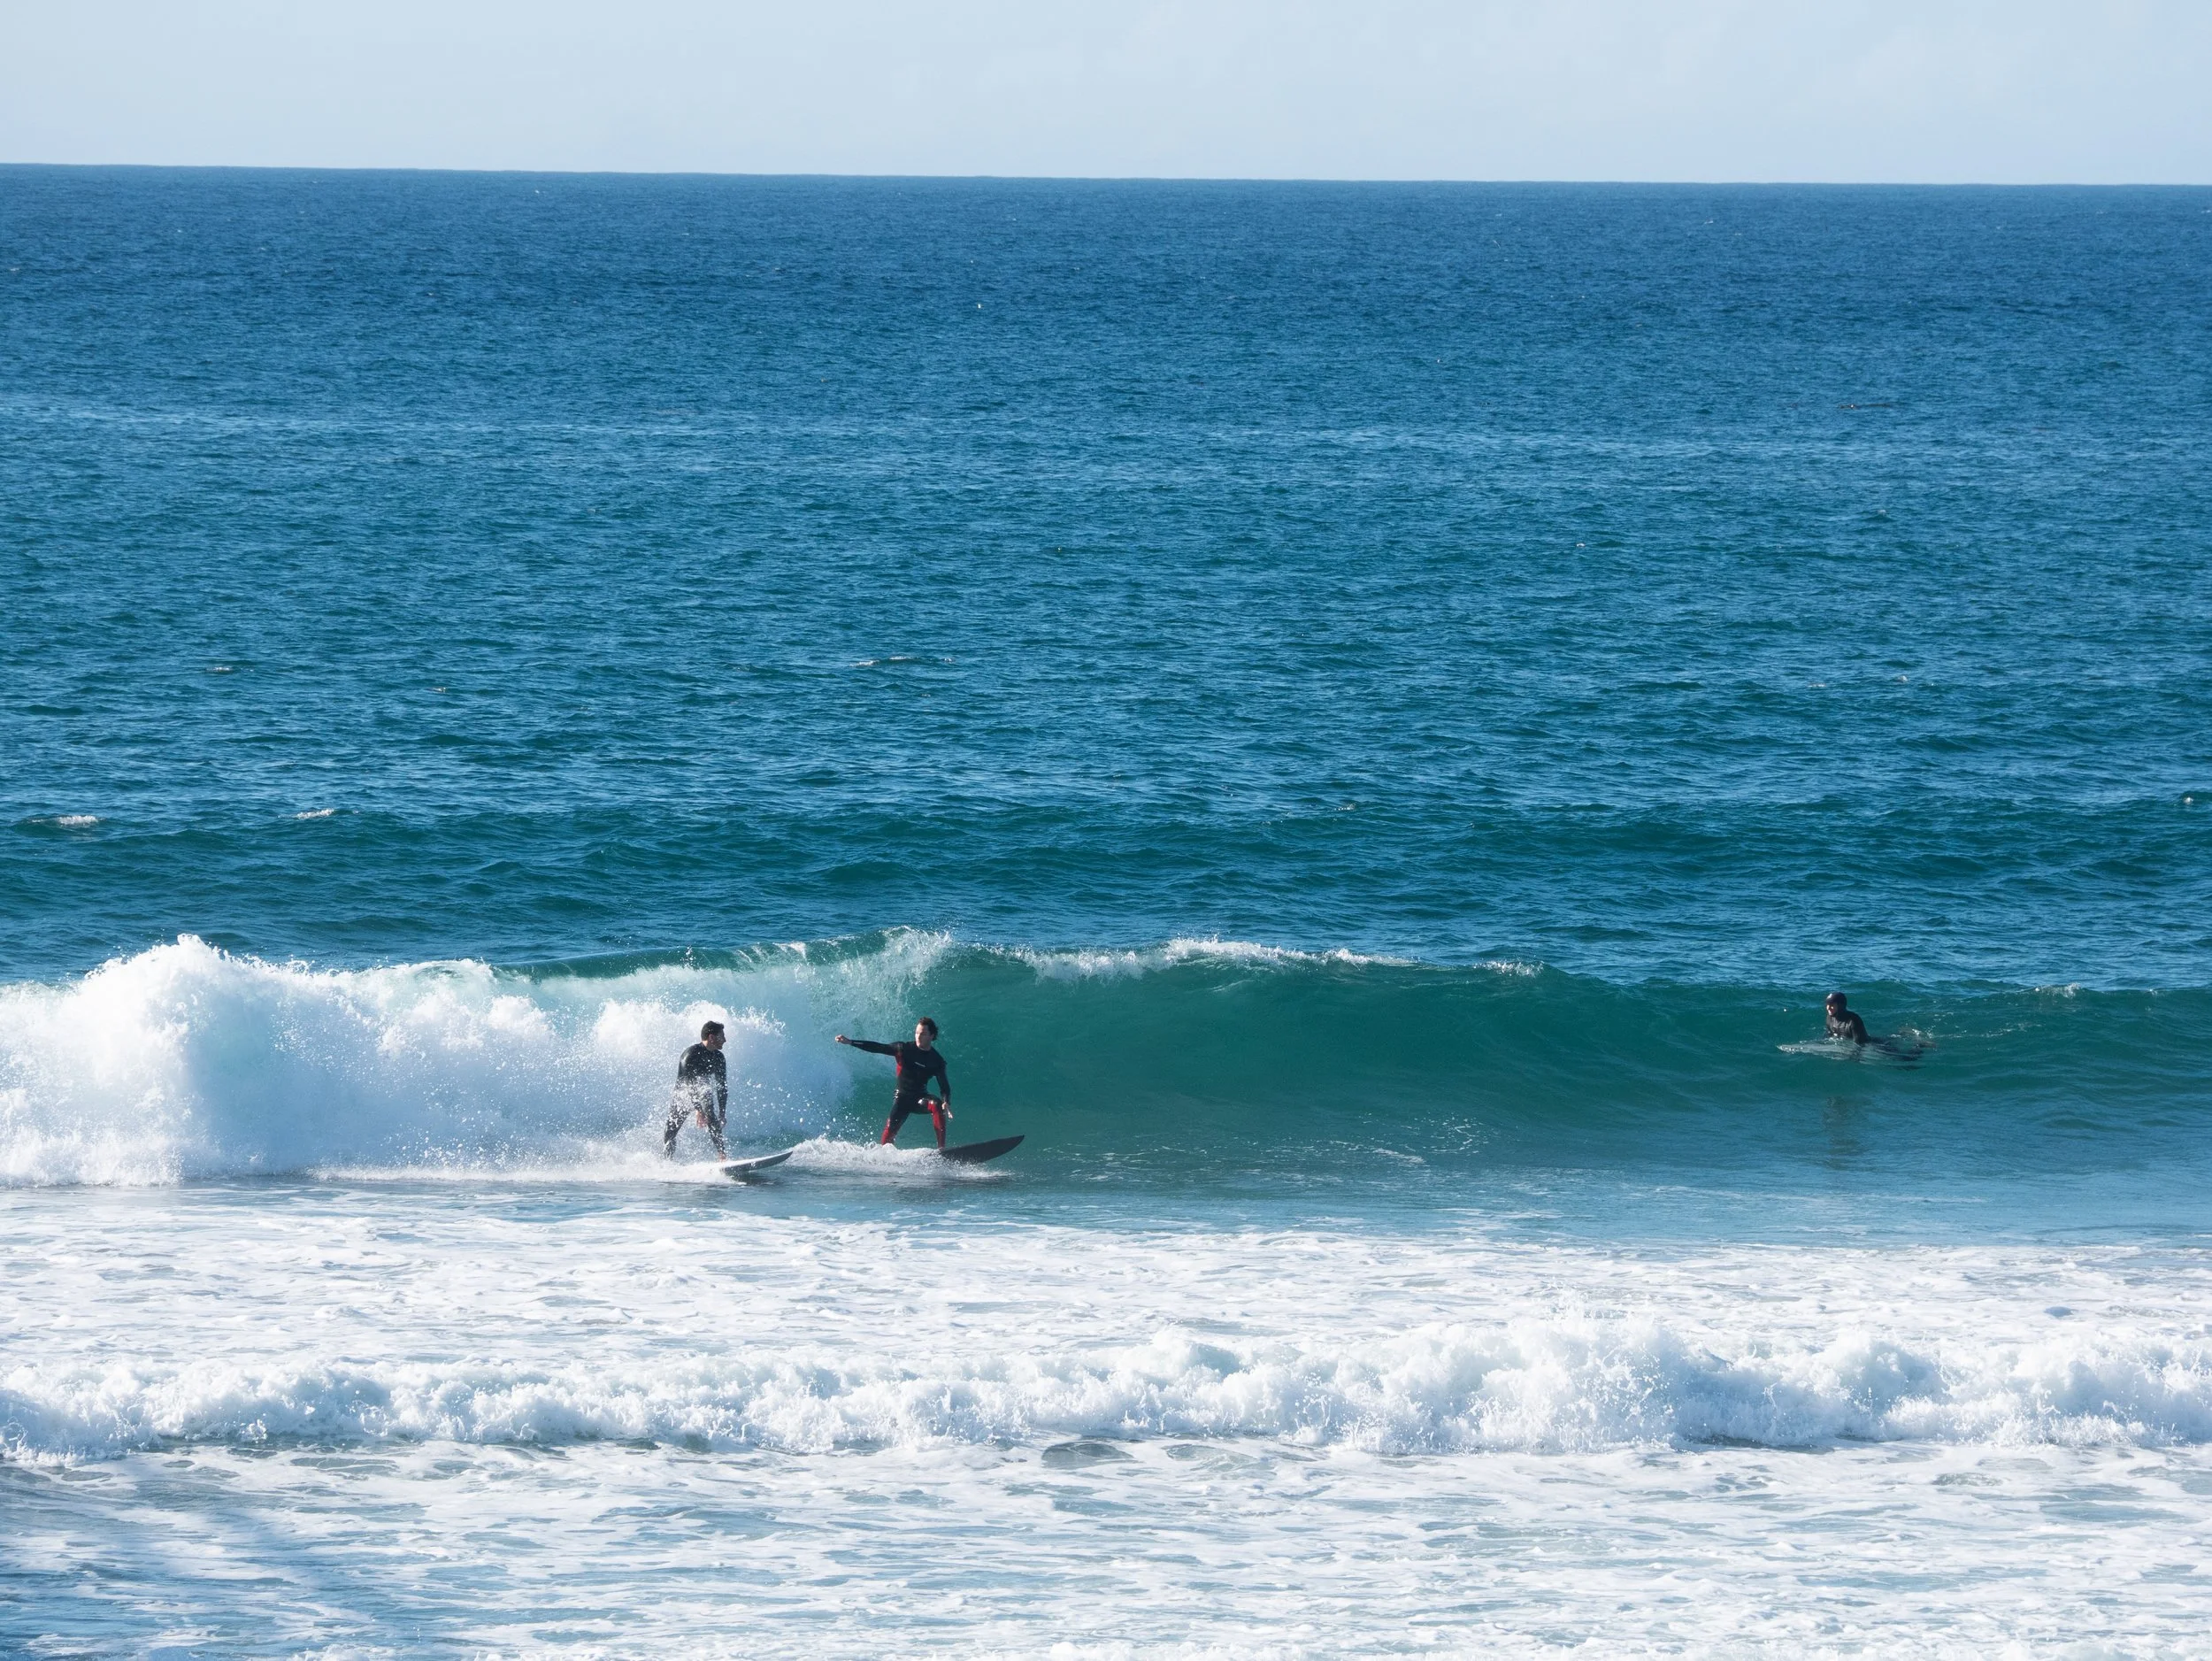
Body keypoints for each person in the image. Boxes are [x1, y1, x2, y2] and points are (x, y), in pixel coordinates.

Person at [835, 1019, 952, 1148]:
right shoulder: (903, 1049)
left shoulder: (937, 1061)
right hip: (902, 1097)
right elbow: (878, 1047)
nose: (918, 1036)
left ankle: (942, 1150)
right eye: (917, 1033)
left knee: (937, 1105)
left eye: (923, 1034)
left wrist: (946, 1101)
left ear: (932, 1036)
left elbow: (944, 1086)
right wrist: (851, 1042)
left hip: (920, 1098)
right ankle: (884, 1155)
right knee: (890, 1130)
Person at [663, 1020, 729, 1158]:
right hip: (684, 1093)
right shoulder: (690, 1055)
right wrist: (698, 1110)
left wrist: (722, 1112)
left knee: (709, 1109)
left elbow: (722, 1087)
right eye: (722, 1036)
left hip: (702, 1089)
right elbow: (689, 1084)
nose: (725, 1040)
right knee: (671, 1129)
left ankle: (722, 1155)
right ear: (712, 1037)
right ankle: (667, 1158)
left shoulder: (719, 1058)